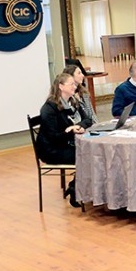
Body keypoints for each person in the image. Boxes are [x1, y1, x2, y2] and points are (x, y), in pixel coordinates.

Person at [36, 73, 94, 207]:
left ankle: (75, 187)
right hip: (51, 150)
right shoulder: (49, 109)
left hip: (65, 144)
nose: (75, 86)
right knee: (87, 156)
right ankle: (75, 189)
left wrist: (78, 126)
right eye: (71, 84)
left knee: (92, 153)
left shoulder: (72, 102)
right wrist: (71, 131)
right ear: (61, 86)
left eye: (75, 84)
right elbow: (53, 137)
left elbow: (88, 120)